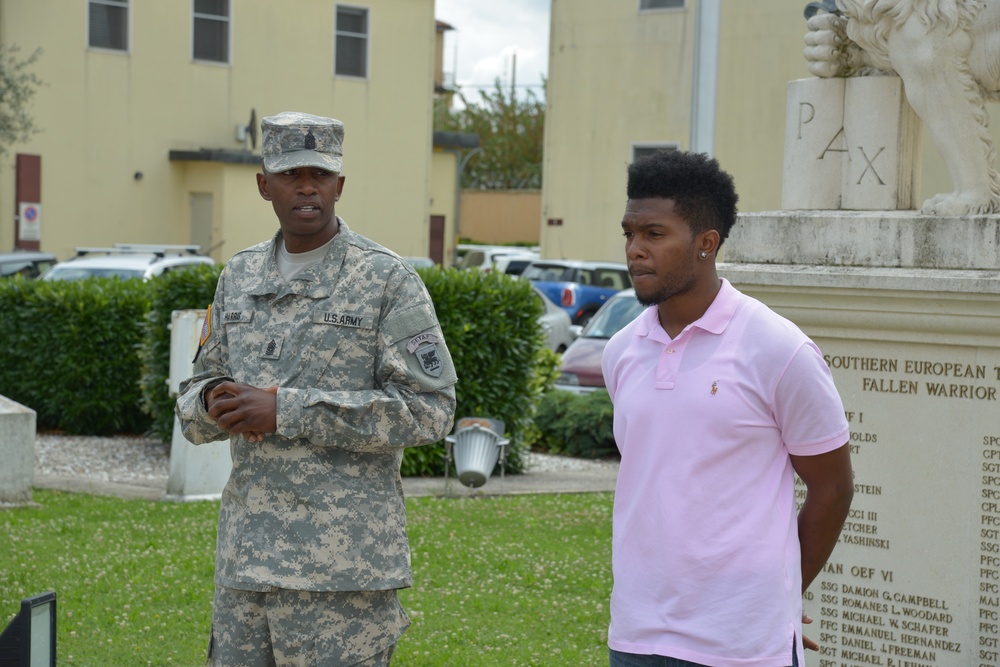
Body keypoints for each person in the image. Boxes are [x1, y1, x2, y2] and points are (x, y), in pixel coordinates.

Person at [175, 111, 457, 667]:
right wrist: (211, 403)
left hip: (341, 574)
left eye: (320, 174)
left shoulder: (385, 280)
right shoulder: (240, 274)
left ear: (339, 185)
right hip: (246, 565)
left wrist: (287, 410)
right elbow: (196, 389)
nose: (306, 186)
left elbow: (430, 411)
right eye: (289, 173)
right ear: (264, 185)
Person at [601, 150, 854, 667]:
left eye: (654, 234)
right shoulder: (622, 351)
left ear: (706, 243)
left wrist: (778, 601)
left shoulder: (779, 350)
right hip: (635, 635)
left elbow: (833, 487)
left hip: (741, 646)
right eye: (629, 234)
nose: (634, 250)